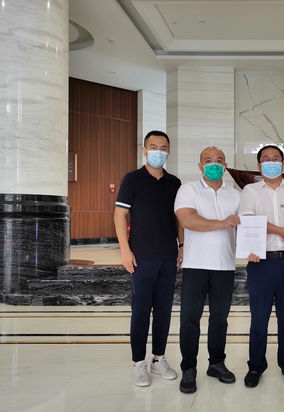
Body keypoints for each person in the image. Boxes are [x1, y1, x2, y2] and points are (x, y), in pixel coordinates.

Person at [238, 145, 284, 388]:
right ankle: (255, 366)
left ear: (283, 163)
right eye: (266, 159)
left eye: (276, 159)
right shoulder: (250, 190)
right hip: (260, 262)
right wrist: (279, 230)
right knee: (259, 318)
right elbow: (247, 220)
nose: (271, 162)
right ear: (259, 165)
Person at [114, 130, 183, 387]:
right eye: (153, 147)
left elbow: (179, 218)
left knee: (164, 310)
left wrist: (182, 245)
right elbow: (119, 215)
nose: (158, 152)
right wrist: (125, 250)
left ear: (168, 152)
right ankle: (138, 363)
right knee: (141, 310)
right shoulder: (132, 179)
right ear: (144, 151)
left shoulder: (175, 183)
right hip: (141, 257)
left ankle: (158, 359)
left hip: (168, 255)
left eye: (163, 148)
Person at [174, 146, 241, 394]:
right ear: (200, 165)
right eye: (208, 160)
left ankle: (216, 364)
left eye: (219, 160)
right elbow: (187, 220)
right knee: (189, 320)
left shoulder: (236, 196)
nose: (214, 164)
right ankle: (188, 369)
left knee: (220, 319)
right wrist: (223, 223)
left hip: (225, 265)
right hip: (195, 264)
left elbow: (247, 226)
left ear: (225, 165)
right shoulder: (189, 189)